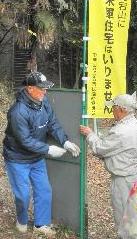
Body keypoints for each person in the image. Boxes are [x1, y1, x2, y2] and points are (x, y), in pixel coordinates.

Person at [3, 71, 80, 237]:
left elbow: (52, 124)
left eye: (45, 88)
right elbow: (25, 140)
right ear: (30, 89)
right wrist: (48, 149)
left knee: (44, 190)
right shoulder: (18, 112)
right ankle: (21, 221)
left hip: (36, 158)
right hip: (17, 159)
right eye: (42, 88)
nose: (45, 92)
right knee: (23, 195)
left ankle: (41, 224)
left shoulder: (43, 102)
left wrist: (64, 141)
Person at [80, 92, 137, 238]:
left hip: (124, 180)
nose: (112, 110)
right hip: (135, 176)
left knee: (125, 217)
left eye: (114, 107)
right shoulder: (136, 125)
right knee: (136, 216)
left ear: (122, 109)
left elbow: (100, 147)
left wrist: (89, 134)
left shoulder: (121, 131)